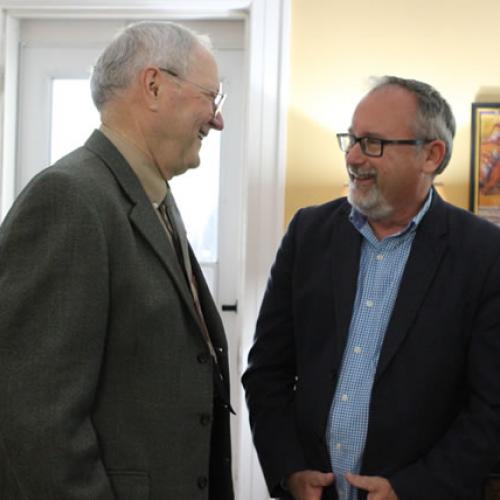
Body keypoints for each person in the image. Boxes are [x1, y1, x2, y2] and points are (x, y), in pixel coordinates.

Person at [0, 21, 234, 500]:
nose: (217, 119)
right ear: (153, 85)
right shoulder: (69, 197)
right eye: (212, 97)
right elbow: (36, 416)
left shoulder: (155, 199)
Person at [242, 76, 500, 500]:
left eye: (373, 143)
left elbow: (490, 409)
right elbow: (267, 371)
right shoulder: (308, 233)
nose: (354, 156)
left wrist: (411, 489)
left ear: (430, 156)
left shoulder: (483, 255)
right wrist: (287, 470)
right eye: (352, 139)